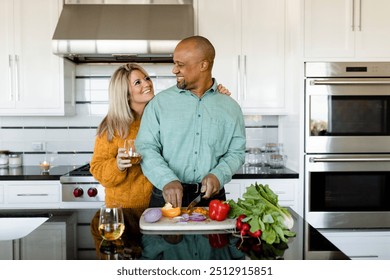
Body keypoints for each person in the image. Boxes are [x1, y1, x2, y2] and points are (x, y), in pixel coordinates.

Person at [89, 63, 231, 256]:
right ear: (125, 93)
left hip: (160, 207)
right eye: (137, 82)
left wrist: (217, 100)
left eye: (146, 78)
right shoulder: (111, 127)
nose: (147, 84)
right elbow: (97, 168)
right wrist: (117, 165)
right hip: (125, 214)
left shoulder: (164, 114)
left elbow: (196, 125)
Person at [136, 35, 246, 209]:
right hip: (166, 196)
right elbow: (145, 147)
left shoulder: (231, 108)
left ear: (204, 65)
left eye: (180, 65)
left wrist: (219, 174)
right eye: (174, 63)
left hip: (212, 199)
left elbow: (236, 152)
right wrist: (167, 179)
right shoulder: (159, 104)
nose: (174, 70)